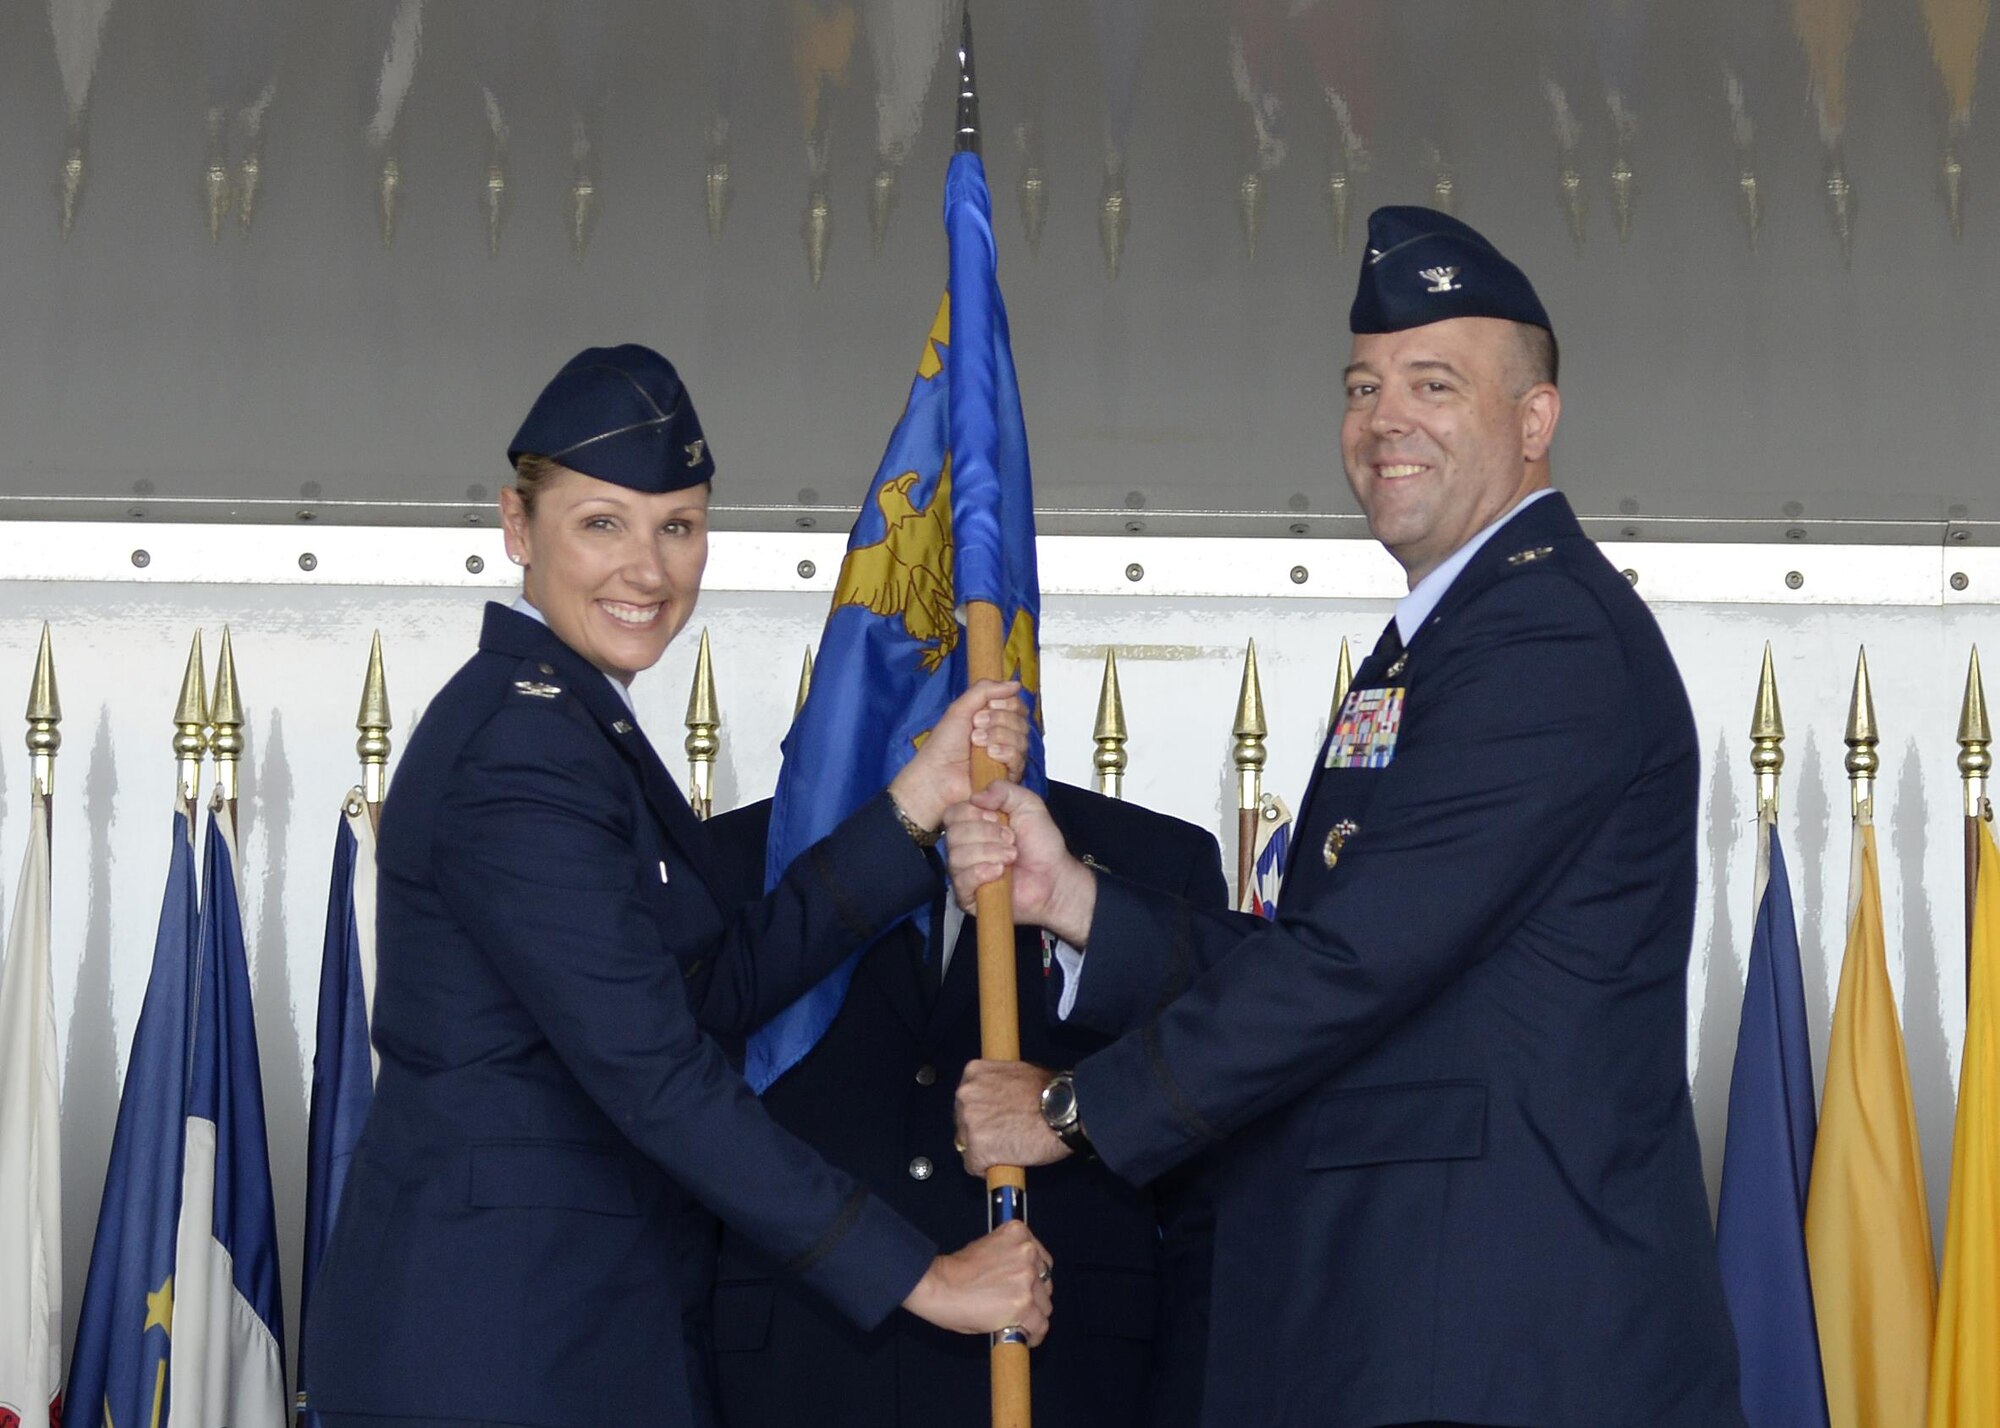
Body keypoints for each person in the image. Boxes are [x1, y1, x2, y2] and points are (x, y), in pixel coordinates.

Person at [943, 209, 1748, 1428]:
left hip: (1492, 1345)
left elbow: (1354, 965)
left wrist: (1074, 1111)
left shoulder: (1543, 638)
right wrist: (1074, 901)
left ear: (1533, 423)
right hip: (1407, 1327)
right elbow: (1345, 949)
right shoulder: (1444, 639)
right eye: (1363, 386)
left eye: (1434, 384)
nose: (1386, 422)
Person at [302, 345, 1053, 1428]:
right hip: (500, 1350)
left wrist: (913, 804)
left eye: (677, 527)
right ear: (517, 527)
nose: (645, 571)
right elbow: (655, 1072)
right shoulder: (522, 748)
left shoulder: (571, 725)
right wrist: (925, 1279)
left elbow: (705, 991)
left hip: (572, 1330)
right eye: (600, 523)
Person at [704, 782, 1227, 1428]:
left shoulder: (1154, 863)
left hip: (1069, 1385)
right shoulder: (726, 861)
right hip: (796, 1380)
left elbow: (1204, 1216)